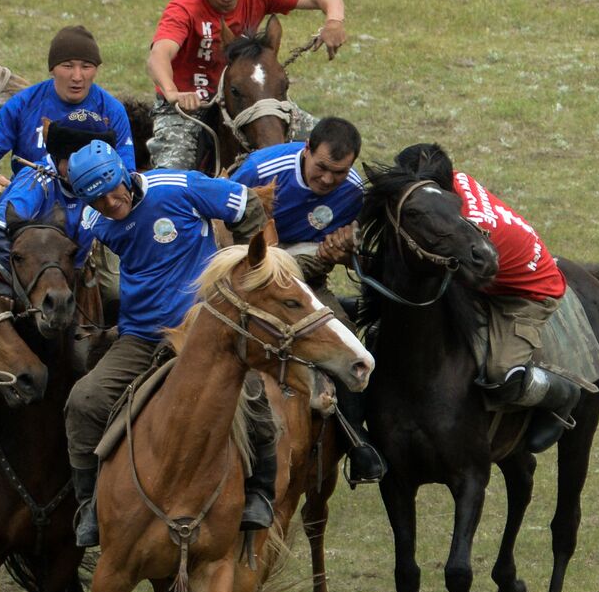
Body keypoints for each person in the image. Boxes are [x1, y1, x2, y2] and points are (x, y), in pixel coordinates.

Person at [62, 141, 276, 548]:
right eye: (98, 199)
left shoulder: (178, 187)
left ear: (125, 175)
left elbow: (247, 205)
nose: (110, 204)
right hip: (141, 334)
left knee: (249, 394)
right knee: (84, 401)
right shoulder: (92, 220)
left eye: (114, 191)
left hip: (203, 329)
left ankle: (260, 492)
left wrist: (249, 269)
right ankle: (89, 505)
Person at [230, 117, 385, 483]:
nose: (329, 180)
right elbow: (220, 219)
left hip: (306, 280)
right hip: (249, 272)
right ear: (306, 151)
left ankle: (354, 439)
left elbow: (354, 251)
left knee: (347, 341)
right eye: (322, 168)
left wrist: (343, 249)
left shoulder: (354, 193)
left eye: (339, 171)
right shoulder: (262, 169)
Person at [395, 143, 576, 452]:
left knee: (503, 375)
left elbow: (464, 274)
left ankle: (563, 397)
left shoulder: (471, 227)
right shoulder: (453, 186)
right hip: (490, 278)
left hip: (526, 293)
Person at [146, 0, 347, 171]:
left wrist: (334, 22)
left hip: (248, 95)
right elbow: (159, 55)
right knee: (172, 176)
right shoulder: (185, 6)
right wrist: (172, 93)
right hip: (188, 102)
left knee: (332, 144)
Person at [0, 26, 135, 206]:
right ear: (52, 68)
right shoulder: (23, 104)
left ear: (96, 70)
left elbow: (127, 172)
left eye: (86, 66)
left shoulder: (112, 110)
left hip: (93, 208)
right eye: (67, 66)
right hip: (30, 207)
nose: (77, 76)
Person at [0, 109, 117, 279]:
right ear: (59, 156)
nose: (87, 172)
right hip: (37, 281)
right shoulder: (35, 182)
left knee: (115, 293)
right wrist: (32, 278)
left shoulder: (105, 182)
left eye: (94, 165)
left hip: (73, 276)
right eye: (79, 164)